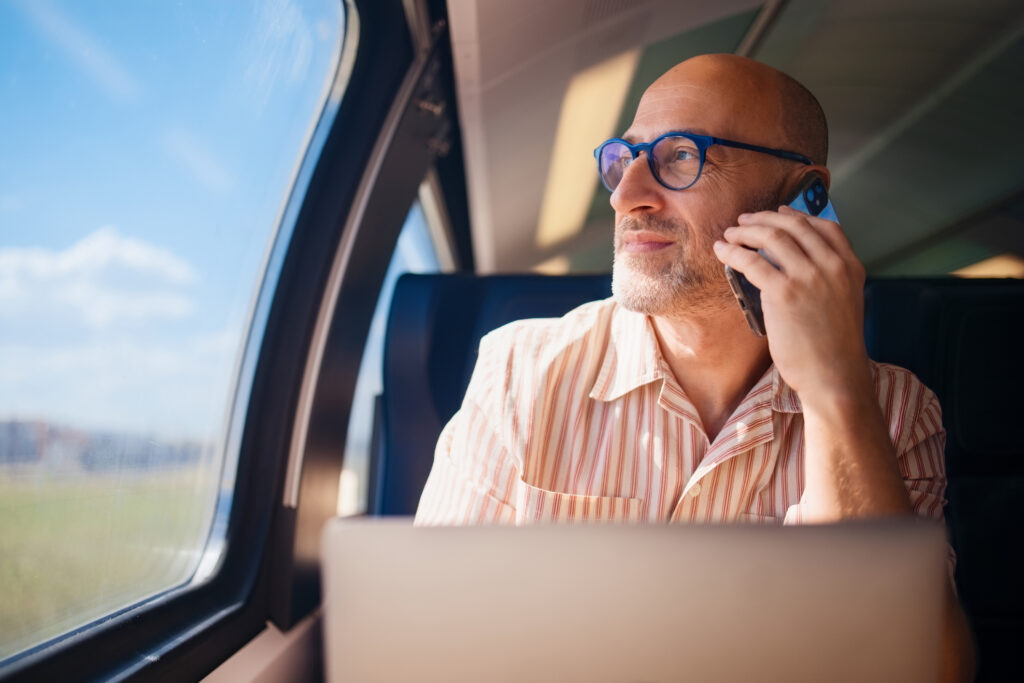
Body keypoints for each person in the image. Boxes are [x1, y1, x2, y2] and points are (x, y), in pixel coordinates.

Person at [414, 53, 973, 680]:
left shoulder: (896, 412)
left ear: (801, 194)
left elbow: (919, 669)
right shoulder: (522, 371)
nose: (627, 195)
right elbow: (433, 650)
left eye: (680, 155)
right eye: (624, 159)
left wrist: (834, 392)